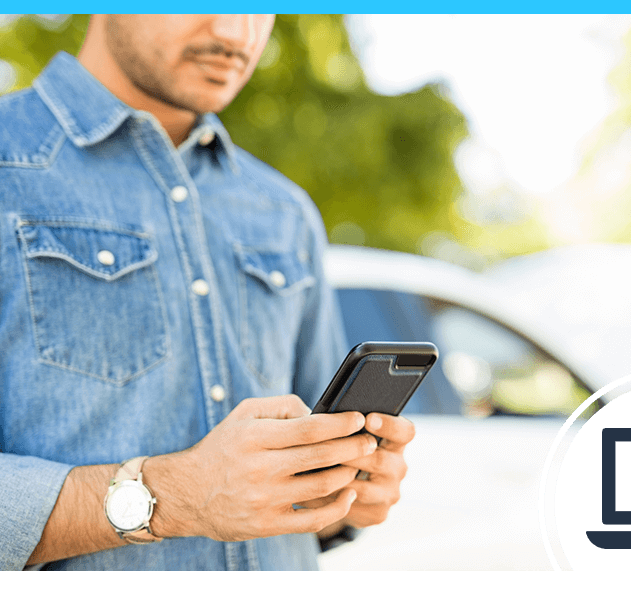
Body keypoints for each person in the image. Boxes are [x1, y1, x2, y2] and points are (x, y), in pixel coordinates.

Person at [0, 14, 415, 570]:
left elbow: (310, 476)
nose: (237, 34)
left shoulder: (285, 212)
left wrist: (343, 491)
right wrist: (172, 498)